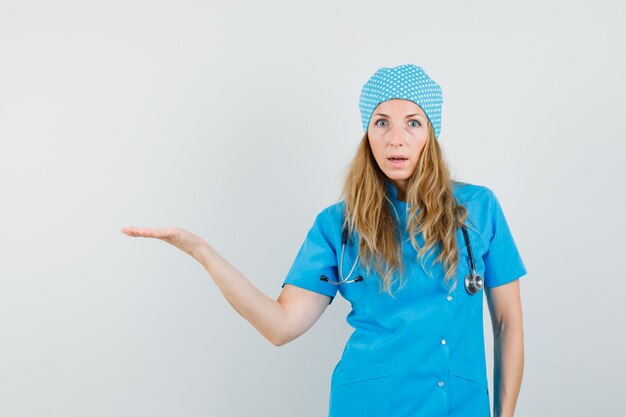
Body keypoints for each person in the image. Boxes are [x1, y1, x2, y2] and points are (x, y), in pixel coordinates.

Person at [121, 64, 527, 417]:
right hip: (367, 404)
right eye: (381, 122)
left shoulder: (477, 209)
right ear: (367, 134)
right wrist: (202, 252)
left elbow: (508, 324)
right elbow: (280, 325)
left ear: (431, 135)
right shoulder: (340, 225)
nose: (395, 139)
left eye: (413, 123)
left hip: (458, 405)